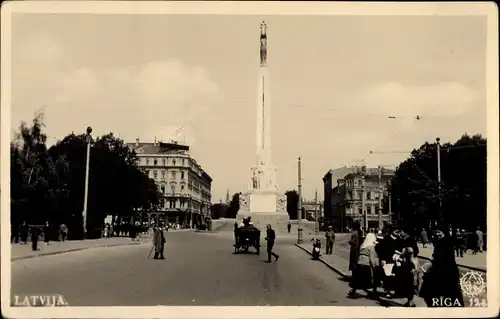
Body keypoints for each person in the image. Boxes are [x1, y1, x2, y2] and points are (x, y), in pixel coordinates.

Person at [419, 229, 464, 307]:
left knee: (430, 292)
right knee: (452, 295)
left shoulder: (445, 242)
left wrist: (430, 266)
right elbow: (437, 256)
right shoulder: (440, 242)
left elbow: (440, 257)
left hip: (445, 271)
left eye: (439, 232)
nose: (437, 234)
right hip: (447, 272)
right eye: (436, 232)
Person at [348, 233, 379, 298]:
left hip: (360, 262)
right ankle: (372, 293)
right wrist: (374, 266)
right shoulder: (371, 247)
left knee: (358, 278)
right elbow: (372, 257)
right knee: (367, 279)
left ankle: (354, 290)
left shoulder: (363, 245)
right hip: (366, 264)